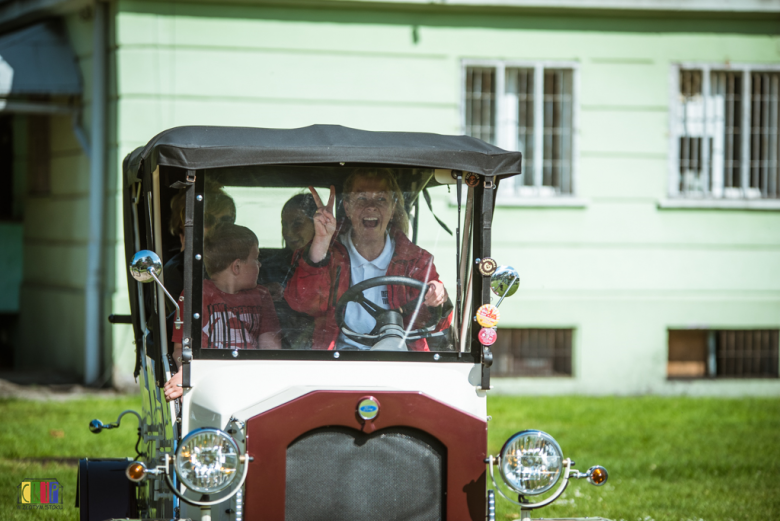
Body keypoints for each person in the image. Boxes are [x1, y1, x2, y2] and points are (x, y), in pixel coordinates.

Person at [284, 168, 452, 351]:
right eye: (361, 198)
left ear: (392, 208)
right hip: (336, 359)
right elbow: (302, 304)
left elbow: (436, 323)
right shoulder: (328, 254)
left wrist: (437, 299)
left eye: (381, 199)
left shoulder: (416, 261)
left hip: (399, 362)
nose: (371, 206)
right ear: (347, 208)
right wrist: (322, 242)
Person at [164, 223, 281, 401]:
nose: (260, 264)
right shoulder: (195, 296)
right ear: (237, 267)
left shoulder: (262, 296)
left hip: (252, 377)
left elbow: (270, 347)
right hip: (209, 379)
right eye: (256, 258)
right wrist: (185, 372)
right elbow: (180, 349)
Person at [257, 194, 317, 348]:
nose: (288, 233)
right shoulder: (267, 268)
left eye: (297, 223)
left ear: (318, 225)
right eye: (284, 224)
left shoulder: (337, 265)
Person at [163, 185, 237, 305]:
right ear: (184, 224)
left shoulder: (241, 258)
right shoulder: (176, 269)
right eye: (207, 220)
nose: (218, 227)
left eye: (226, 221)